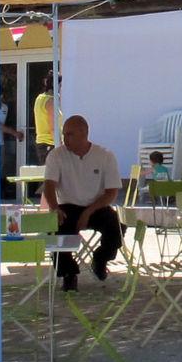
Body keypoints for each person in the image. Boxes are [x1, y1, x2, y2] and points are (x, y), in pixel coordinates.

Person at [41, 114, 125, 291]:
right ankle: (68, 274)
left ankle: (101, 258)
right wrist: (54, 208)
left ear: (83, 133)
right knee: (55, 229)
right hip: (67, 206)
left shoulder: (105, 156)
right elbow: (49, 186)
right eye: (64, 134)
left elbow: (111, 192)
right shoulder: (56, 155)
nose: (65, 138)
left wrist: (88, 212)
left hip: (97, 205)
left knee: (116, 226)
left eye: (69, 134)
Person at [31, 83, 56, 166]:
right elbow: (53, 127)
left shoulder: (39, 98)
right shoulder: (50, 101)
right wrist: (60, 145)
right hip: (50, 142)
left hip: (41, 142)